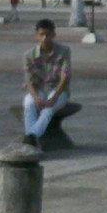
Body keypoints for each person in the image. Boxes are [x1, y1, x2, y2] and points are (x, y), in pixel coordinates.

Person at [22, 18, 71, 147]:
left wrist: (54, 98)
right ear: (36, 35)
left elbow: (64, 78)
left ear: (53, 34)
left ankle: (31, 136)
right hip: (38, 89)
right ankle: (31, 138)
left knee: (48, 108)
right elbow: (28, 81)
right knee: (29, 104)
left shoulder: (64, 51)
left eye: (47, 34)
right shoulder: (29, 55)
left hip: (57, 90)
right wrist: (36, 97)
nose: (44, 38)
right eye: (41, 34)